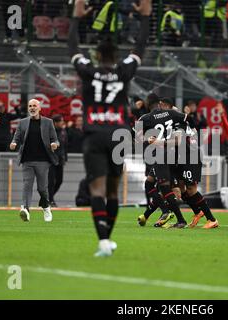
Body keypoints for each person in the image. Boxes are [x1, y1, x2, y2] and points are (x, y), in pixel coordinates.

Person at [68, 0, 152, 257]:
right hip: (118, 135)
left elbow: (72, 46)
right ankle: (108, 238)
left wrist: (75, 18)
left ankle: (103, 241)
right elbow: (140, 46)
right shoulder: (124, 71)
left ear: (96, 56)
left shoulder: (88, 71)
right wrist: (145, 18)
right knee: (114, 190)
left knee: (97, 189)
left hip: (93, 135)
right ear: (117, 57)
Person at [135, 96, 189, 229]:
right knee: (149, 183)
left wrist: (147, 138)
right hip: (171, 153)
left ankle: (177, 217)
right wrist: (177, 111)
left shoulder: (146, 117)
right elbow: (186, 117)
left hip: (159, 155)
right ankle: (164, 211)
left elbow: (136, 135)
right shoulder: (172, 113)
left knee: (164, 188)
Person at [10, 99, 59, 223]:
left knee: (42, 188)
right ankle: (25, 209)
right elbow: (16, 137)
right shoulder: (22, 123)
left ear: (39, 108)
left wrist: (54, 144)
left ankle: (46, 207)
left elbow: (55, 140)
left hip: (43, 160)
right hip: (27, 160)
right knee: (27, 185)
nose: (32, 108)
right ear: (28, 109)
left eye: (34, 106)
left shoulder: (48, 122)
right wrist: (14, 143)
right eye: (30, 106)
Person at [48, 114, 68, 207]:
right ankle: (50, 200)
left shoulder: (63, 132)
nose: (62, 123)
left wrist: (65, 157)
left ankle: (48, 197)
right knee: (51, 181)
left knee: (59, 180)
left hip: (60, 160)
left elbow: (65, 145)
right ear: (55, 123)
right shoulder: (49, 132)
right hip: (51, 160)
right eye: (61, 121)